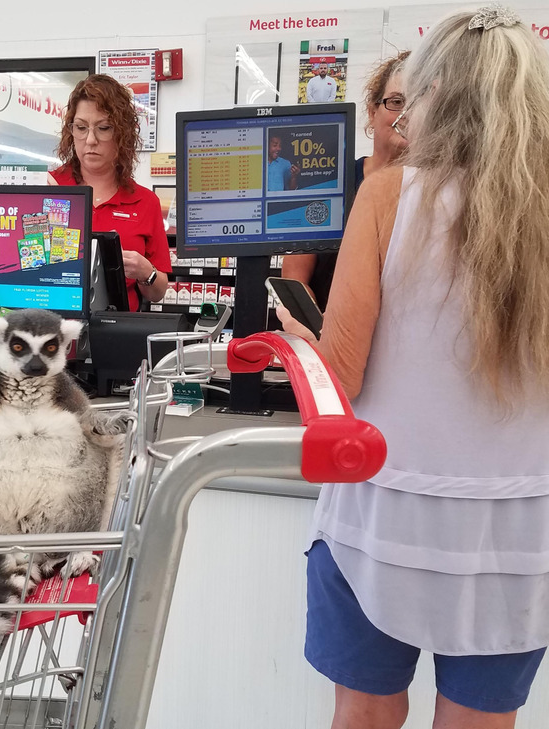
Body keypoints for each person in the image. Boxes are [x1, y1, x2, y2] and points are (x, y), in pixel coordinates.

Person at [279, 5, 549, 728]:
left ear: (435, 98)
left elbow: (341, 378)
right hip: (523, 531)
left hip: (383, 513)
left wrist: (299, 334)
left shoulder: (390, 195)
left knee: (364, 714)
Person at [282, 51, 410, 310]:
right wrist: (317, 332)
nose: (407, 113)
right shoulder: (328, 183)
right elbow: (295, 277)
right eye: (396, 101)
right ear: (372, 112)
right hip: (327, 339)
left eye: (419, 103)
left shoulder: (437, 192)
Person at [49, 74, 171, 311]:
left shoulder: (145, 202)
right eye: (81, 128)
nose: (90, 140)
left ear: (122, 133)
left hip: (115, 333)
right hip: (53, 328)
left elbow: (157, 293)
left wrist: (146, 273)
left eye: (103, 128)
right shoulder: (49, 187)